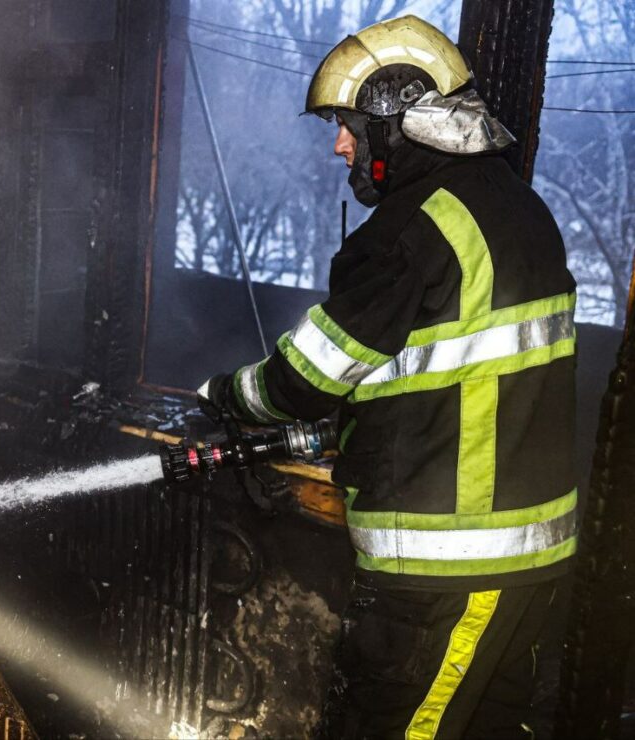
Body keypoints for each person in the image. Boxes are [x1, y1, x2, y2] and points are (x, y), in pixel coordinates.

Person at [197, 15, 578, 739]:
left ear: (403, 124)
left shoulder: (413, 230)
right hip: (525, 568)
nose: (340, 145)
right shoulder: (518, 209)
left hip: (444, 575)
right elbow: (455, 377)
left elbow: (306, 377)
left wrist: (228, 396)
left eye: (350, 127)